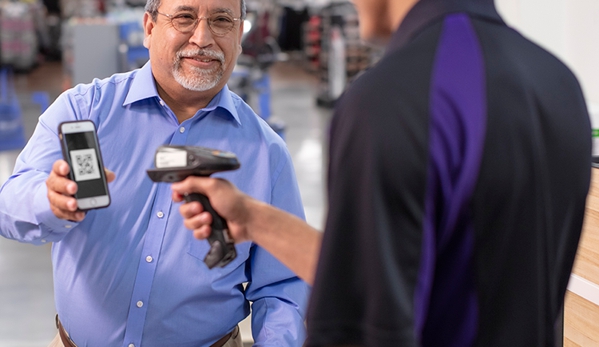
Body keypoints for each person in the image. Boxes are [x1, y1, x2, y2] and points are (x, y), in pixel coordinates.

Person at [172, 0, 593, 345]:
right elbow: (440, 269)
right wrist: (252, 217)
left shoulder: (392, 99)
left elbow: (363, 321)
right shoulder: (557, 84)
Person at [0, 0, 309, 345]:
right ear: (149, 27)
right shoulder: (84, 110)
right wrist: (49, 200)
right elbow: (9, 205)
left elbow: (283, 287)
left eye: (221, 20)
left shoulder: (266, 153)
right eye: (184, 18)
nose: (202, 37)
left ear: (239, 35)